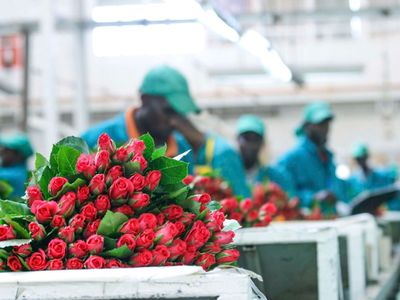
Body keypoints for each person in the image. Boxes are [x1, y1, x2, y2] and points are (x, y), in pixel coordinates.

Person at [82, 65, 249, 197]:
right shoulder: (98, 140)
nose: (173, 121)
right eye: (168, 111)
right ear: (145, 99)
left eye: (179, 114)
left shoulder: (183, 150)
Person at [277, 102, 348, 215]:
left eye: (327, 124)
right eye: (320, 124)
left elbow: (340, 190)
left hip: (330, 221)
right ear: (306, 126)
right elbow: (281, 195)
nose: (325, 129)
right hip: (304, 226)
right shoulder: (291, 159)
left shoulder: (328, 159)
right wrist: (312, 198)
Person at [236, 114, 294, 195]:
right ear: (237, 139)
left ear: (262, 143)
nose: (251, 144)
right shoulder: (226, 173)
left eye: (256, 139)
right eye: (247, 138)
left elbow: (290, 199)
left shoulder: (276, 176)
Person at [349, 143, 399, 210]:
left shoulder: (381, 175)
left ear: (367, 157)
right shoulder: (353, 180)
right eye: (358, 159)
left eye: (363, 158)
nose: (361, 161)